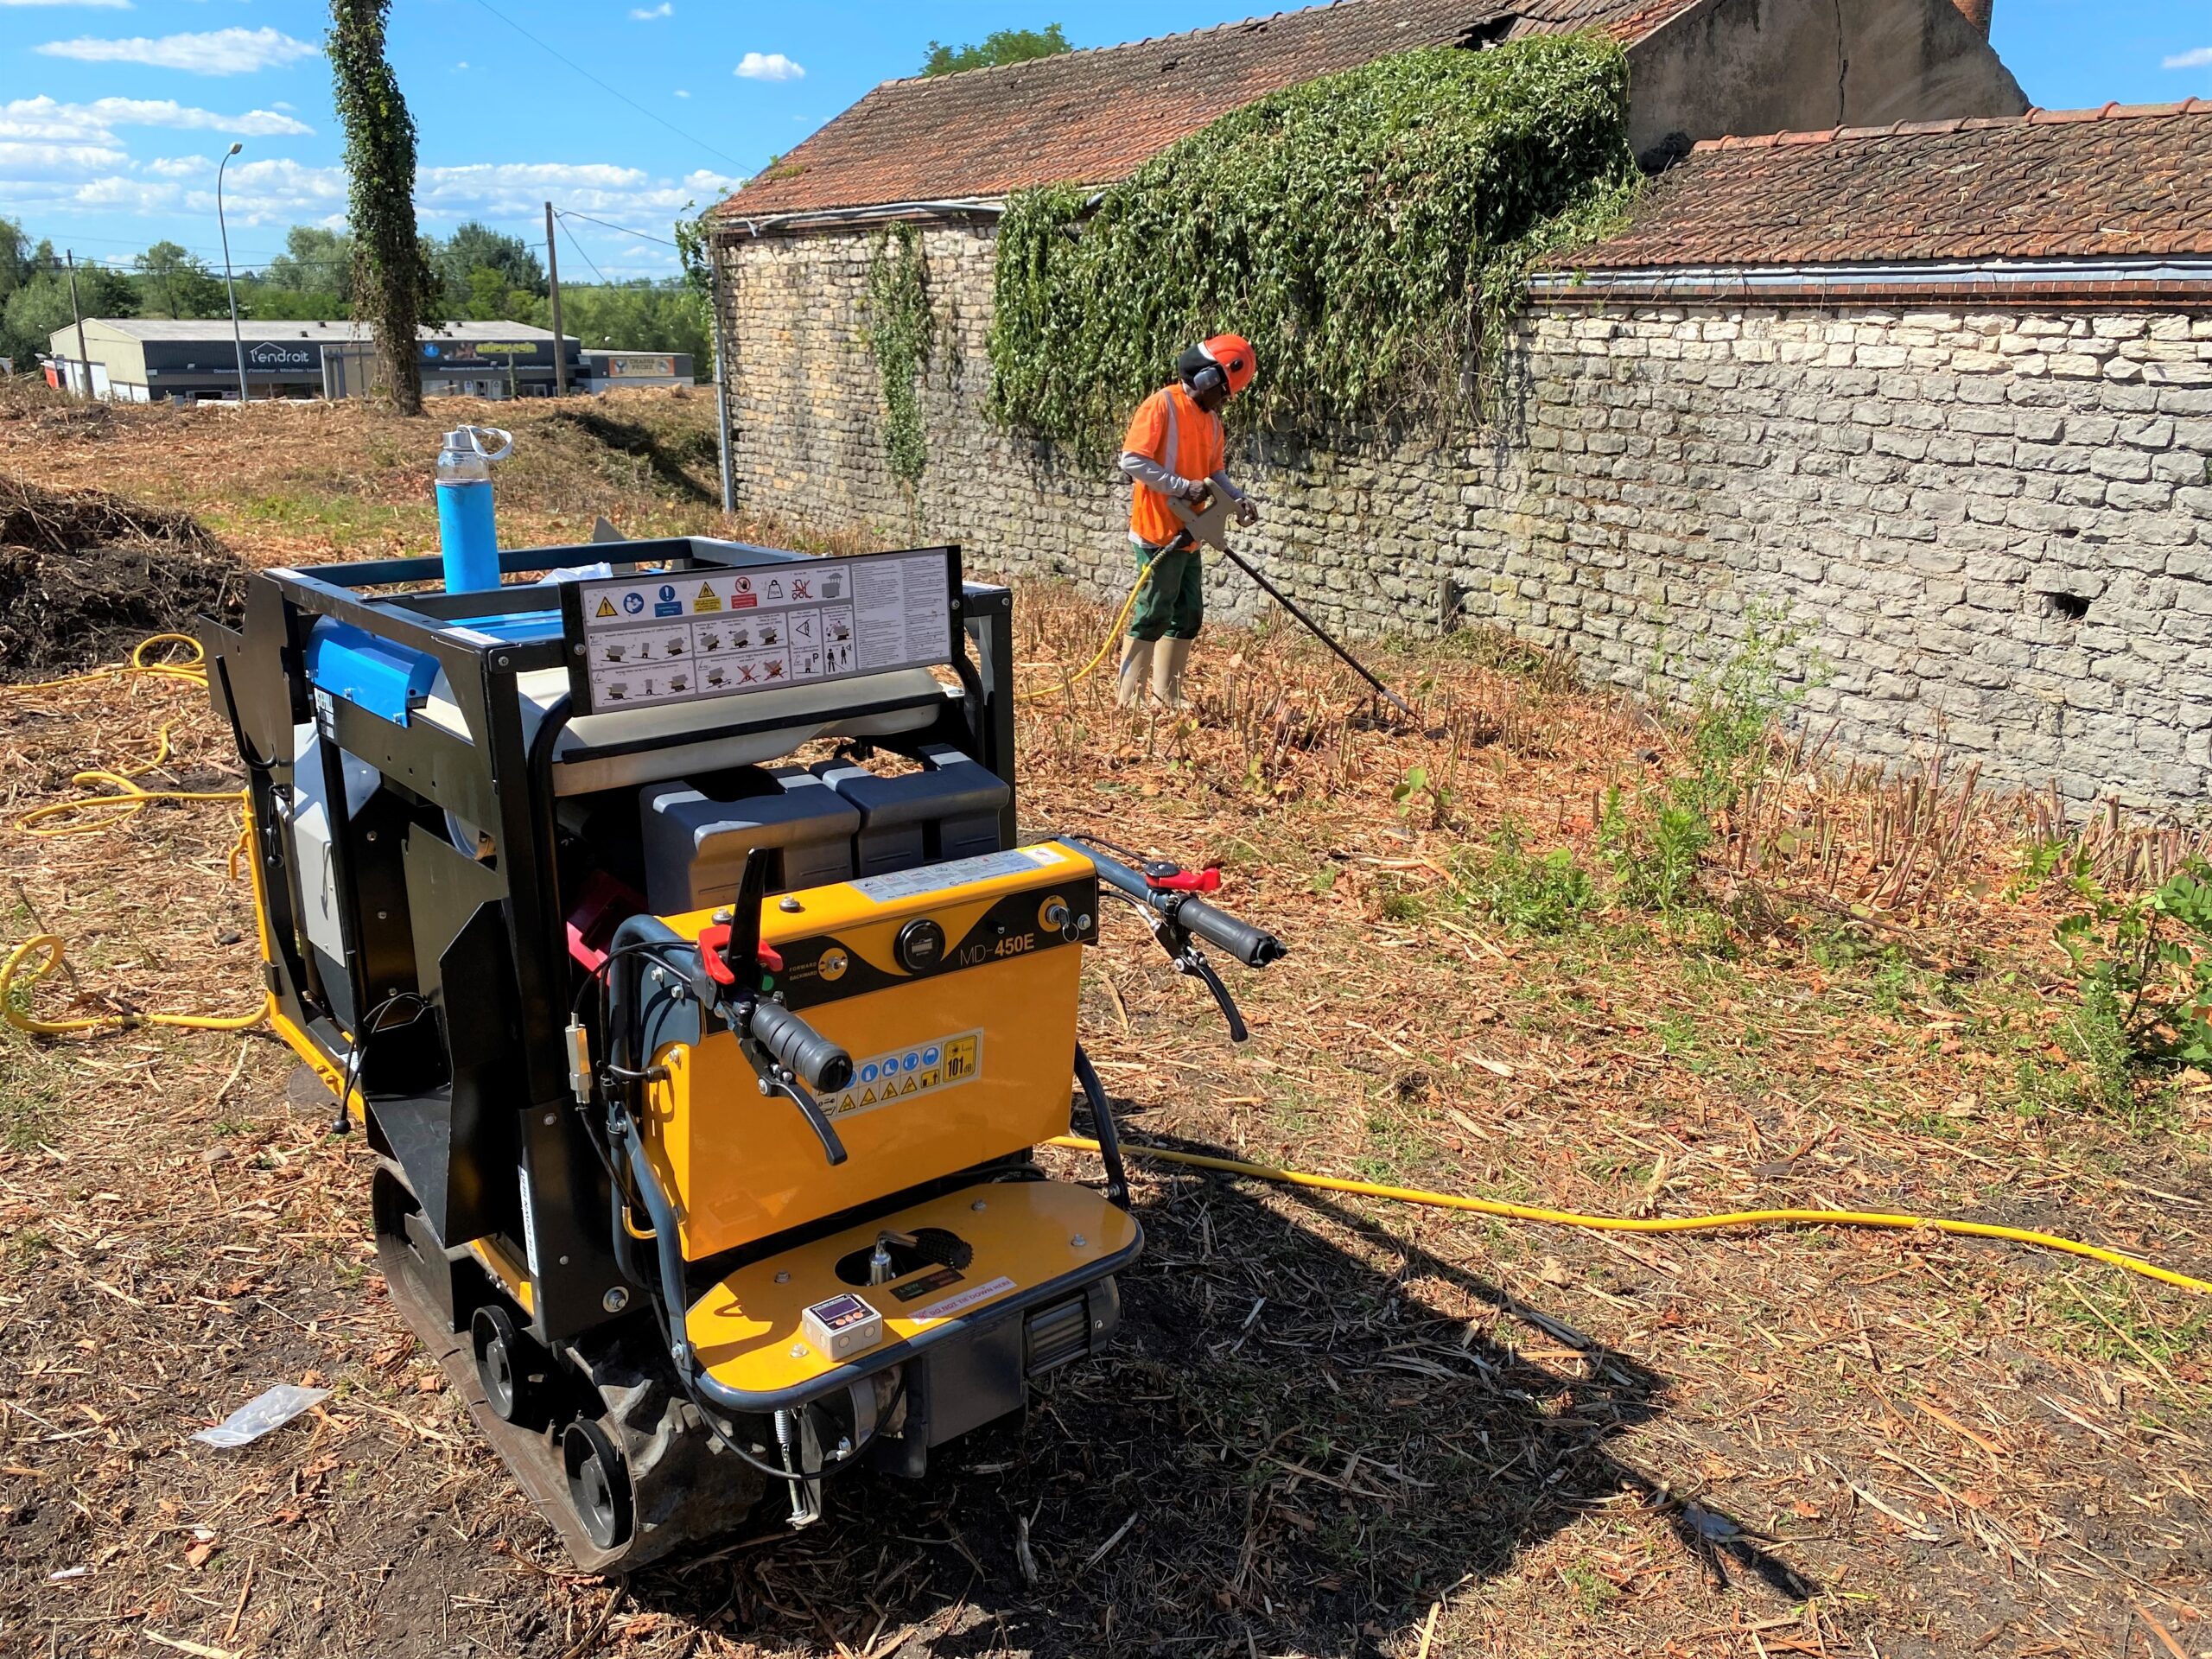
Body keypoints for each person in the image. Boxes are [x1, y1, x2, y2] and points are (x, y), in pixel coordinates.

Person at [1114, 334, 1261, 708]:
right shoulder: (1161, 405)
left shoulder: (1212, 423)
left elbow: (1216, 472)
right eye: (1223, 391)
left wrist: (1238, 498)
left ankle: (1167, 694)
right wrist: (1181, 486)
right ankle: (1129, 699)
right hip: (1157, 530)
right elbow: (1132, 460)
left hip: (1191, 531)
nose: (1224, 400)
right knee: (1154, 611)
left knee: (1189, 612)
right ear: (1207, 378)